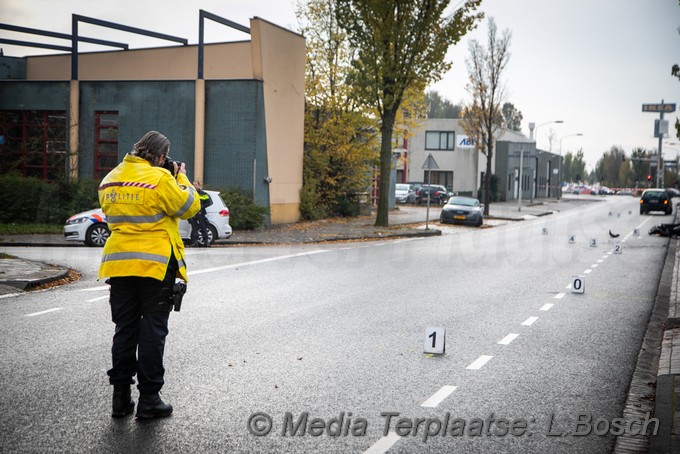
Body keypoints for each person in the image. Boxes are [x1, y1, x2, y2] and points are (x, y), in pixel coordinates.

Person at [98, 131, 200, 419]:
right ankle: (149, 400)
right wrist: (181, 177)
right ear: (161, 156)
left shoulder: (110, 179)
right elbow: (188, 207)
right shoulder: (160, 178)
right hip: (155, 266)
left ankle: (120, 399)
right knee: (153, 331)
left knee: (125, 329)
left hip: (119, 265)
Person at [189, 180, 211, 247]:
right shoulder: (191, 193)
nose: (194, 186)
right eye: (193, 184)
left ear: (198, 185)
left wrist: (202, 207)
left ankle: (206, 242)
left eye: (195, 184)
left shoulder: (203, 194)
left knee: (203, 227)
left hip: (201, 213)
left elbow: (208, 202)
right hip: (193, 213)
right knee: (194, 228)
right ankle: (195, 242)